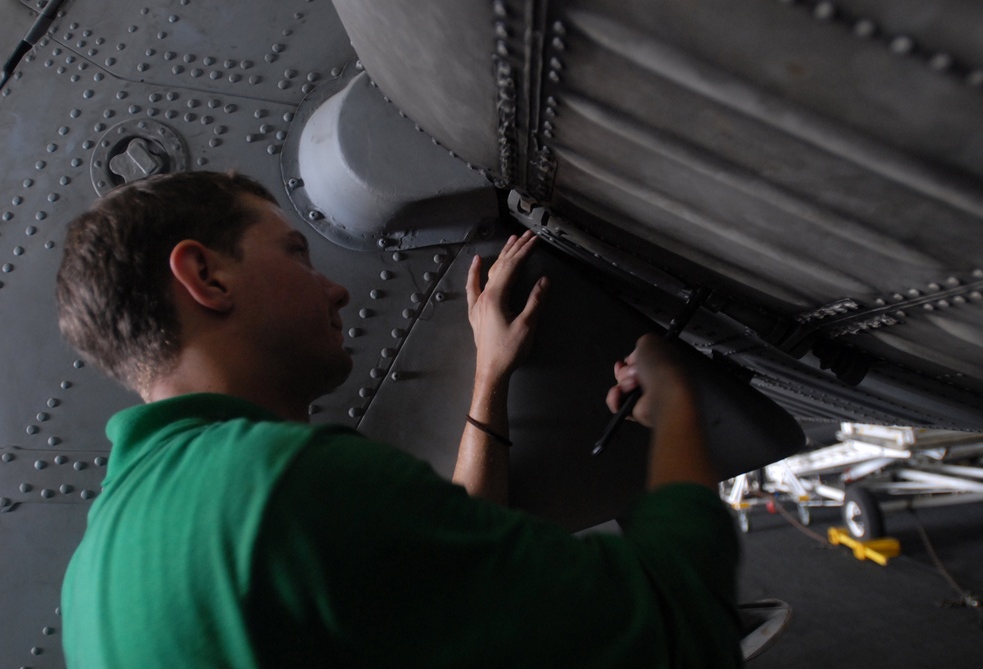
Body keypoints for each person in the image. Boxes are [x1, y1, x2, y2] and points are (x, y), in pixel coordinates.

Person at [56, 171, 742, 667]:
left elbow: (437, 569)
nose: (336, 287)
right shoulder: (287, 483)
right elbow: (677, 623)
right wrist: (676, 400)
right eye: (295, 253)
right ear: (206, 277)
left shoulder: (94, 572)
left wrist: (491, 375)